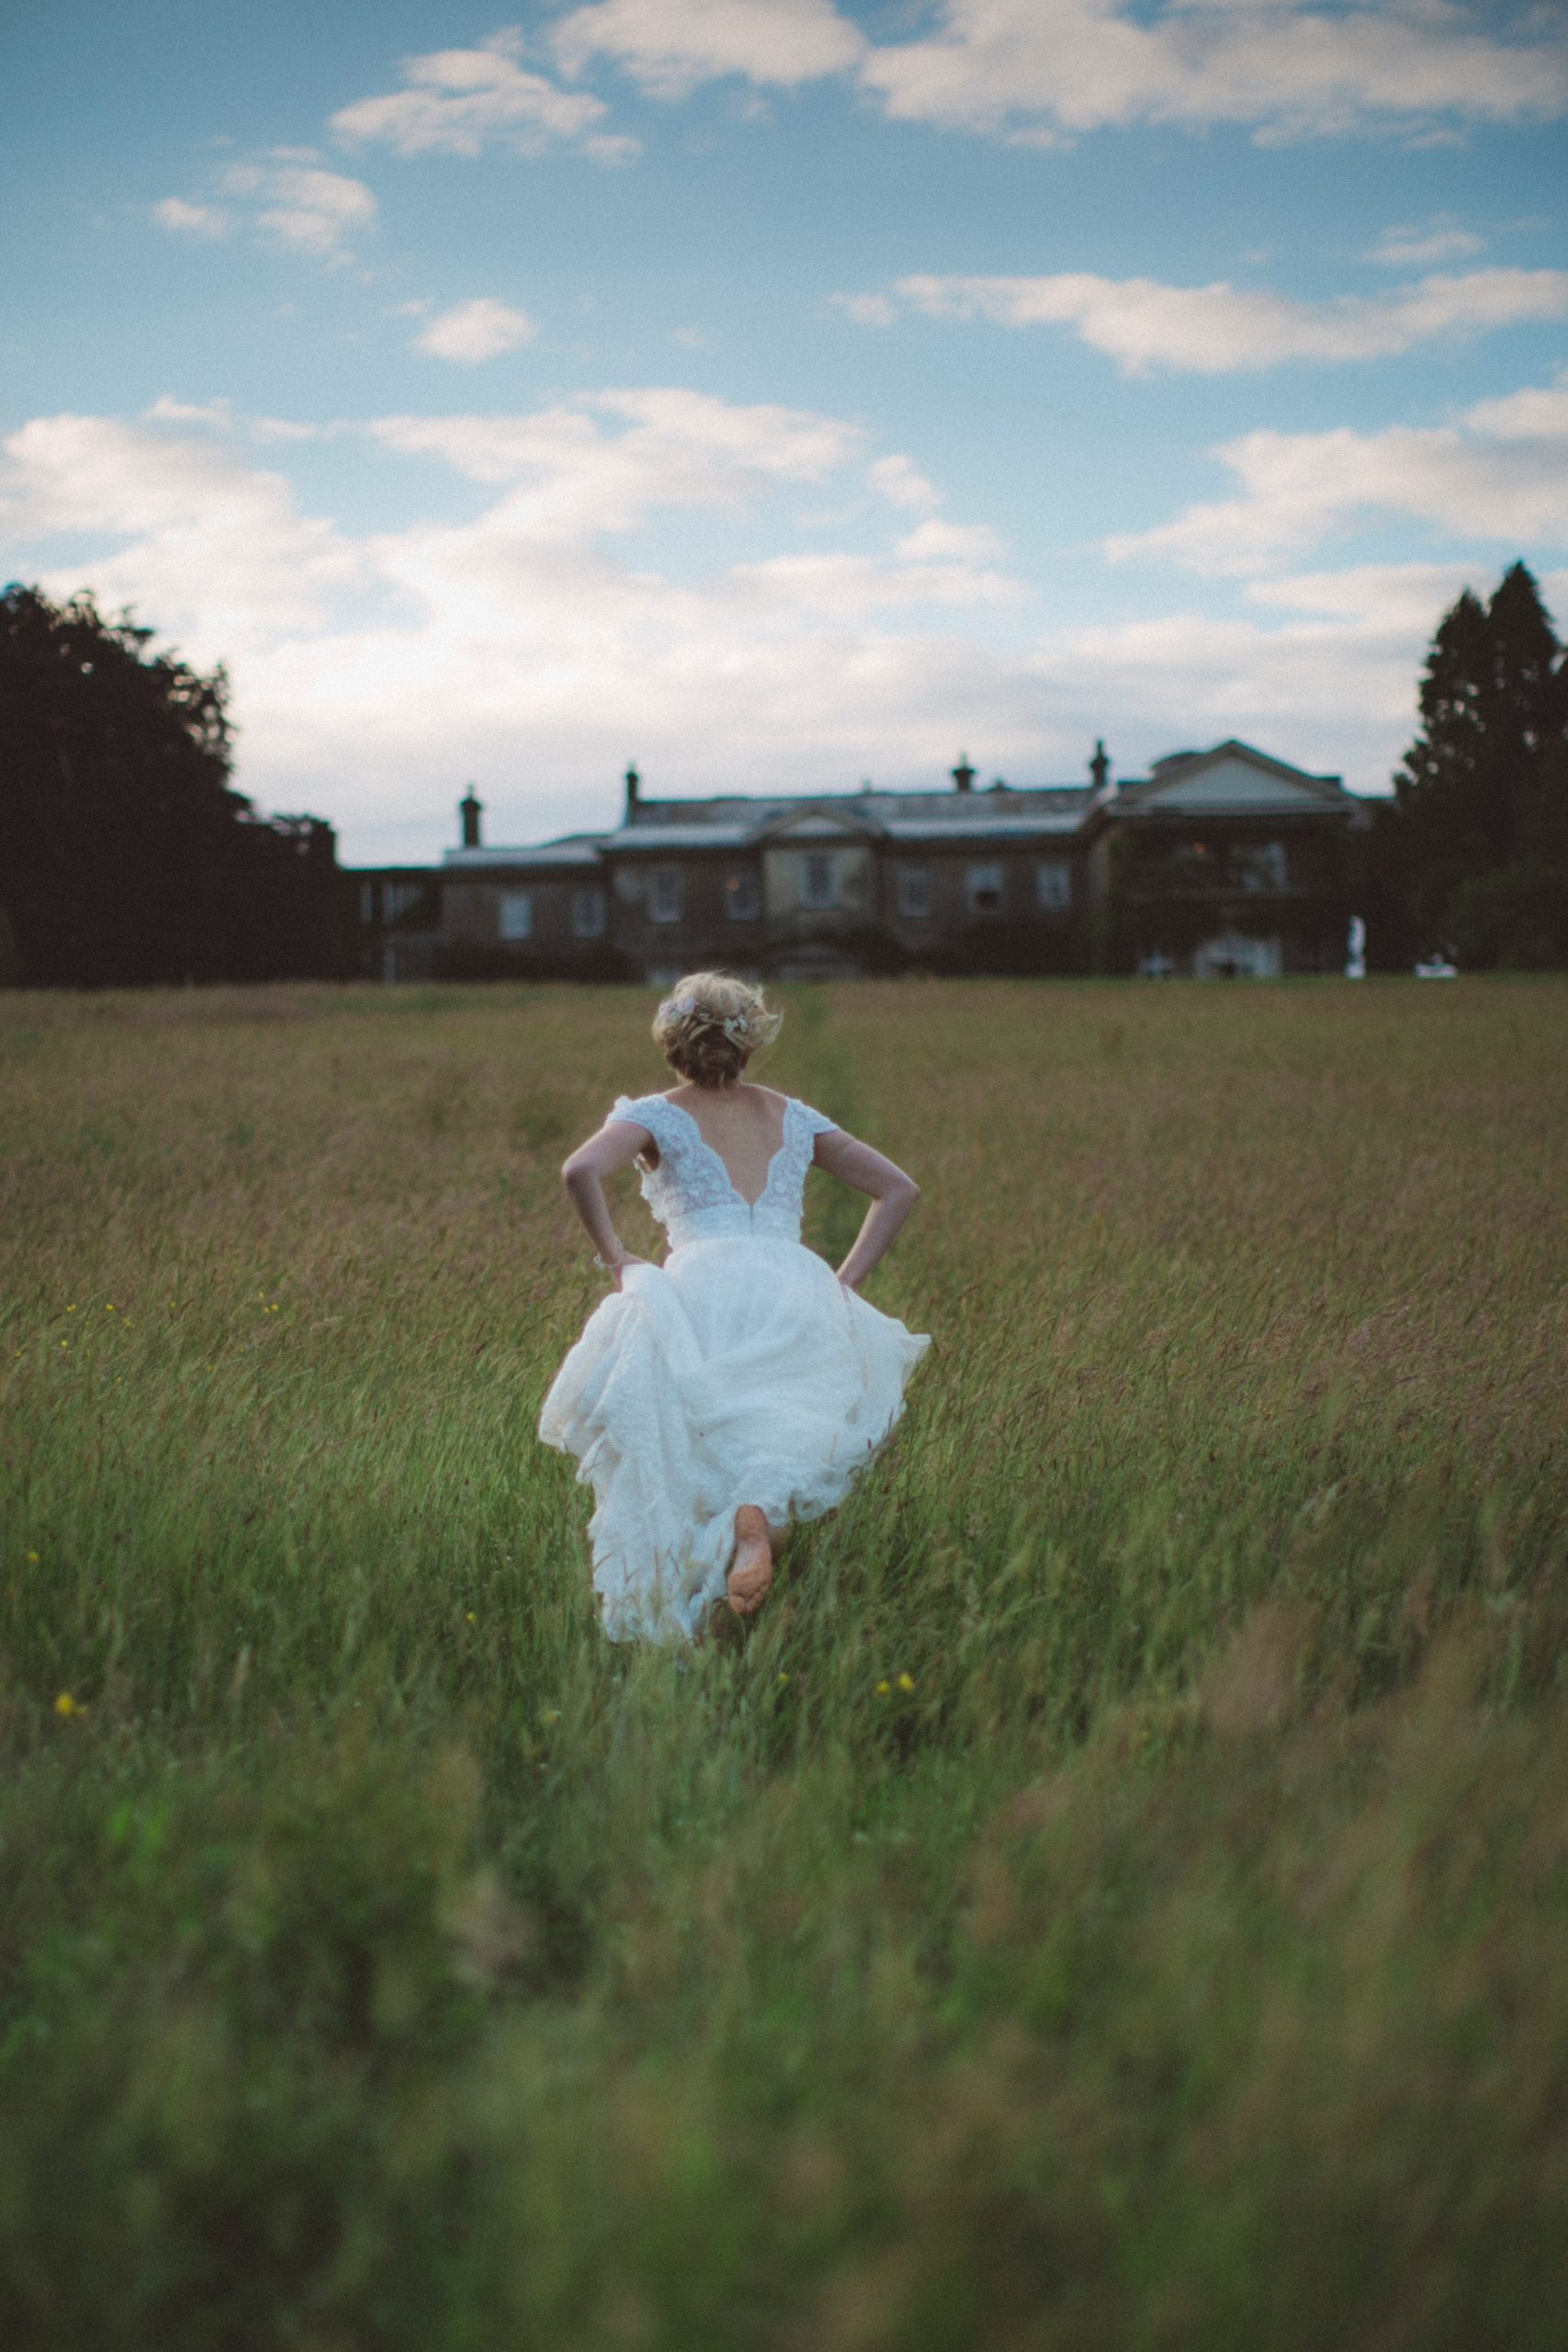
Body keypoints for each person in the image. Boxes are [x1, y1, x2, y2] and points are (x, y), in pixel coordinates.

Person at [539, 972, 929, 1645]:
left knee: (694, 1437)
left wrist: (617, 1259)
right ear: (749, 1040)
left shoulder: (654, 1114)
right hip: (793, 1281)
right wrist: (843, 1284)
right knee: (782, 1429)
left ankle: (706, 1596)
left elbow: (579, 1170)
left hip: (699, 1281)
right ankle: (758, 1523)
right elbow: (896, 1188)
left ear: (673, 1041)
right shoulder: (791, 1115)